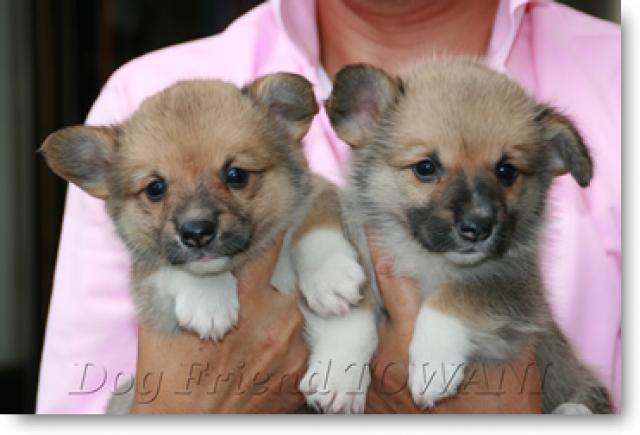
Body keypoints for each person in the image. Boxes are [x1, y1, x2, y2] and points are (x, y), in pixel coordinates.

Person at [36, 0, 621, 413]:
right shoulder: (137, 97)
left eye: (237, 176)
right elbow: (77, 402)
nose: (476, 215)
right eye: (425, 168)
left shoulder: (621, 75)